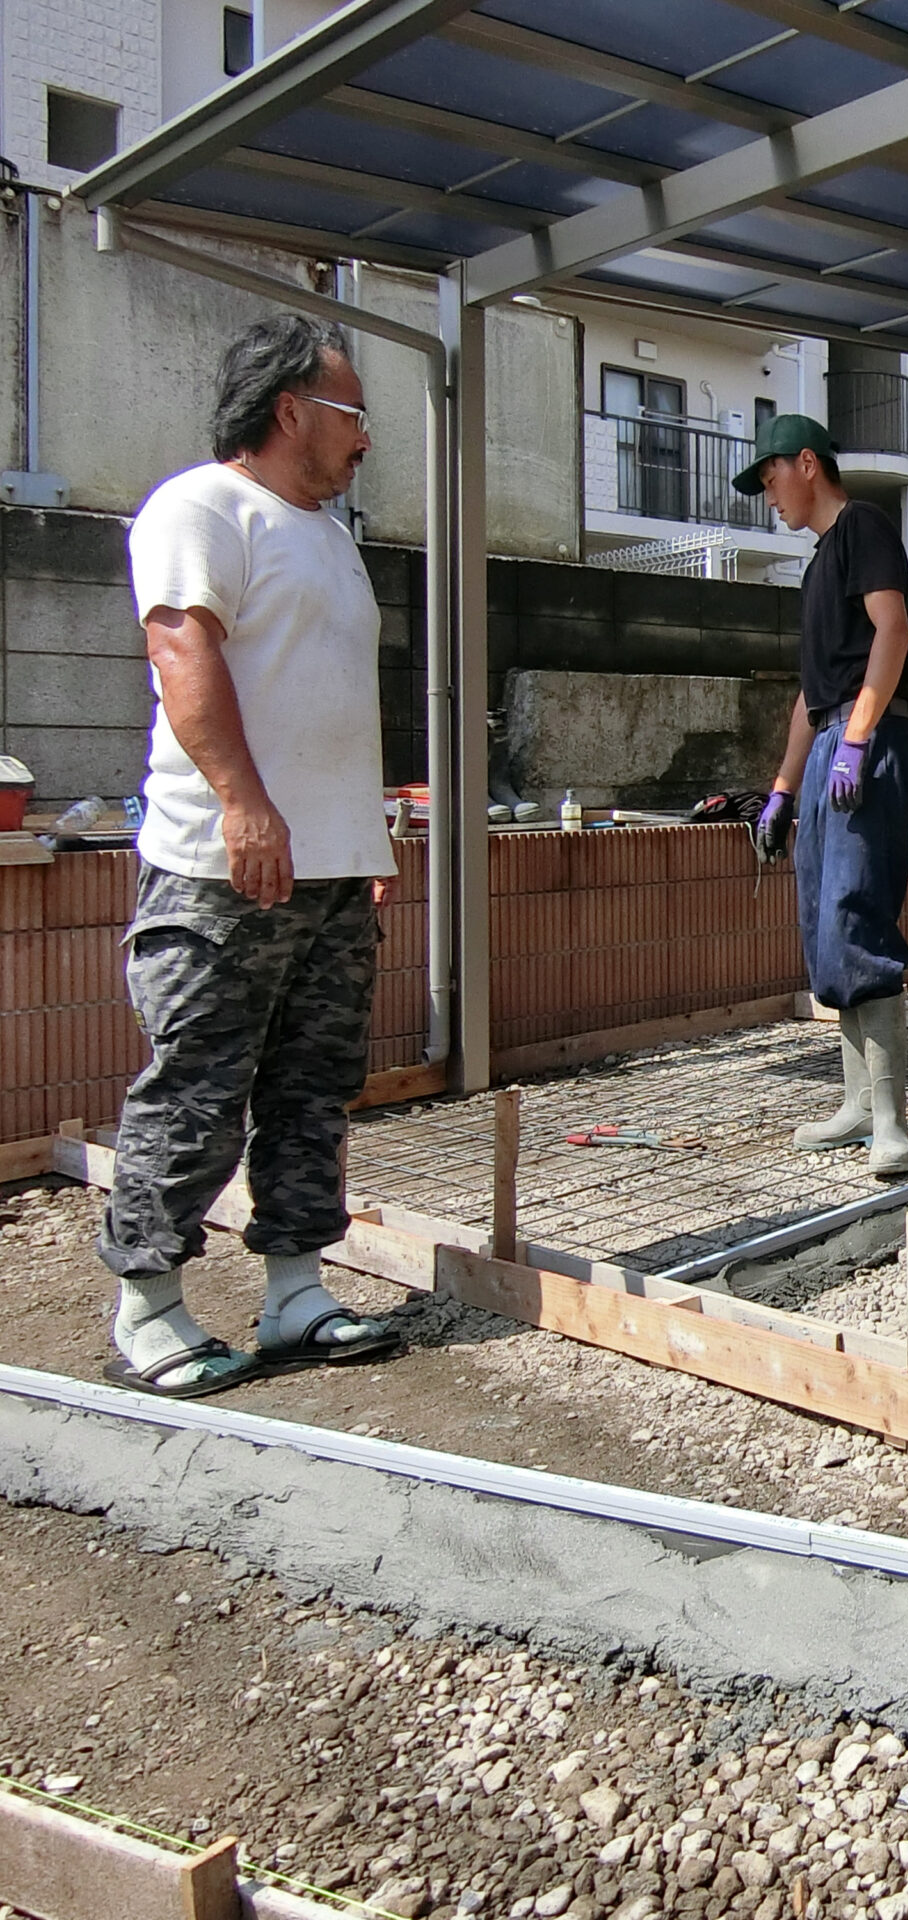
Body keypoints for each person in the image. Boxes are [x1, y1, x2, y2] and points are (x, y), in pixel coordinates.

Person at [97, 313, 404, 1399]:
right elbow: (182, 648)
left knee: (311, 1087)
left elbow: (323, 696)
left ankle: (294, 1291)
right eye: (353, 411)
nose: (365, 435)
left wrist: (358, 833)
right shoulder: (200, 505)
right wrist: (245, 804)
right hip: (225, 864)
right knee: (195, 1088)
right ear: (292, 410)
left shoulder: (327, 532)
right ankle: (148, 1307)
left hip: (326, 866)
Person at [738, 415, 908, 1177]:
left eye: (770, 476)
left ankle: (891, 1123)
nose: (768, 495)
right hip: (832, 742)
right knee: (823, 916)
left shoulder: (863, 527)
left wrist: (856, 740)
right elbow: (809, 697)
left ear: (807, 463)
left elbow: (893, 630)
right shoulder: (816, 567)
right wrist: (781, 789)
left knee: (854, 908)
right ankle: (855, 1104)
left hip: (868, 737)